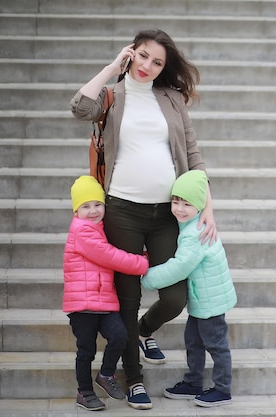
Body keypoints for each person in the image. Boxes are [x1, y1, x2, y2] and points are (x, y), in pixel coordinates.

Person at [69, 29, 218, 410]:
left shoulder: (171, 98)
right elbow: (78, 107)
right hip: (122, 210)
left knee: (174, 296)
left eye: (158, 62)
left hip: (167, 213)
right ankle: (134, 380)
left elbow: (194, 156)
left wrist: (208, 209)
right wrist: (110, 68)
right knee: (128, 298)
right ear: (131, 53)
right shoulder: (113, 96)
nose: (148, 66)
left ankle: (144, 332)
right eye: (143, 56)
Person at [141, 170, 237, 408]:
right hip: (201, 299)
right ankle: (193, 382)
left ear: (200, 206)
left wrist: (147, 279)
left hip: (210, 302)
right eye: (175, 201)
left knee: (216, 344)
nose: (179, 209)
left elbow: (179, 267)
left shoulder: (195, 233)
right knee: (193, 341)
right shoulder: (190, 225)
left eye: (187, 204)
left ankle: (223, 389)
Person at [63, 176, 149, 411]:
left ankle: (106, 374)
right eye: (85, 206)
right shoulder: (82, 231)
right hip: (82, 305)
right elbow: (110, 256)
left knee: (120, 336)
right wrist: (141, 263)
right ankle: (85, 392)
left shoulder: (99, 228)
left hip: (104, 302)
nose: (93, 211)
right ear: (76, 210)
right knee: (86, 350)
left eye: (97, 204)